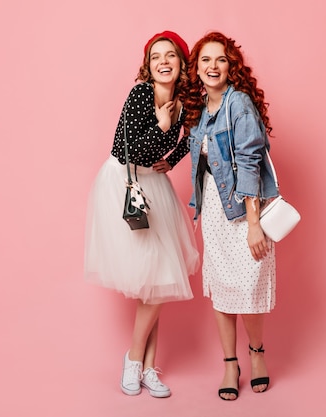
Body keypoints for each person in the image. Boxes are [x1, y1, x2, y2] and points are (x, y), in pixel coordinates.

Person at [84, 31, 199, 398]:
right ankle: (136, 361)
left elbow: (196, 138)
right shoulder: (141, 94)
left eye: (170, 55)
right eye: (155, 57)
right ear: (148, 66)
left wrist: (175, 158)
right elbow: (127, 149)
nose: (163, 61)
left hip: (155, 183)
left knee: (159, 280)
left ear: (182, 63)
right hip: (126, 183)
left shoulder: (184, 101)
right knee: (154, 275)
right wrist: (163, 127)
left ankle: (147, 366)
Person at [181, 31, 278, 400]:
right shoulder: (201, 110)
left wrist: (254, 224)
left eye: (220, 59)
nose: (212, 66)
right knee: (222, 289)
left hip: (243, 211)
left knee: (248, 288)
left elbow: (251, 161)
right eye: (205, 60)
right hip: (215, 215)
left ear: (230, 65)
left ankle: (256, 356)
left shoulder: (238, 104)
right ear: (197, 68)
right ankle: (229, 364)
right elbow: (201, 165)